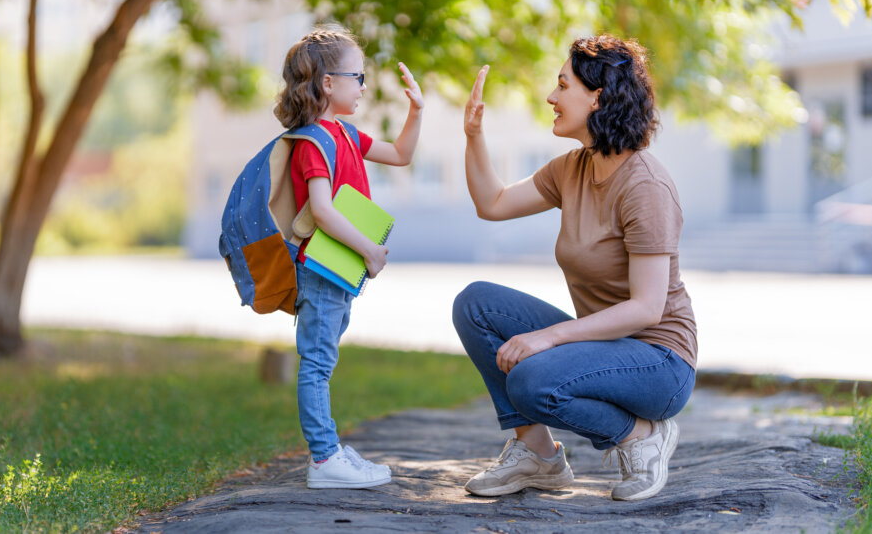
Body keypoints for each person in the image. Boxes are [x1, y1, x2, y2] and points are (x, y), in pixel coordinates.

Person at [453, 35, 697, 502]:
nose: (551, 97)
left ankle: (640, 436)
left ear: (597, 96)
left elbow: (647, 308)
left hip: (659, 362)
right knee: (475, 304)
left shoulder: (645, 185)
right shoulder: (573, 168)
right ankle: (537, 455)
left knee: (531, 379)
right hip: (602, 345)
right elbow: (493, 202)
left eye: (562, 85)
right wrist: (473, 136)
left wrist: (548, 337)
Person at [276, 27, 424, 489]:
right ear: (326, 83)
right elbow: (321, 211)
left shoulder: (345, 133)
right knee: (317, 364)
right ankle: (324, 460)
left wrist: (416, 111)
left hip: (336, 269)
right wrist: (369, 250)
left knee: (325, 358)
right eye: (357, 75)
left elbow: (400, 154)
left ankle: (330, 450)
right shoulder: (313, 142)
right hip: (321, 269)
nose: (363, 85)